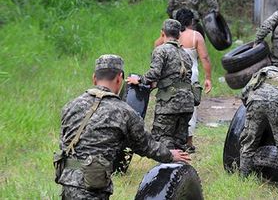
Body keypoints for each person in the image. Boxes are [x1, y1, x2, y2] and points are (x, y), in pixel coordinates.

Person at [55, 54, 190, 199]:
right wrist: (170, 155)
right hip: (92, 187)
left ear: (94, 78)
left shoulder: (70, 106)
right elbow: (146, 146)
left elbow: (65, 142)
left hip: (67, 181)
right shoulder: (124, 112)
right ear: (119, 79)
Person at [239, 54, 278, 195]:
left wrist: (252, 111)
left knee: (249, 141)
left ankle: (243, 179)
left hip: (255, 103)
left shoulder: (265, 71)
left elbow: (244, 93)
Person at [127, 19, 195, 151]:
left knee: (162, 138)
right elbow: (179, 78)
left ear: (162, 33)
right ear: (179, 35)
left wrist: (140, 80)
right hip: (187, 103)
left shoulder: (161, 50)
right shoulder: (185, 54)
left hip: (169, 104)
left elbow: (154, 73)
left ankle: (166, 169)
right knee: (179, 140)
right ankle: (180, 169)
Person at [154, 8, 212, 153]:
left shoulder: (168, 36)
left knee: (170, 108)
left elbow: (157, 46)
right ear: (191, 21)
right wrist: (208, 78)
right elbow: (204, 57)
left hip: (171, 76)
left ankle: (168, 142)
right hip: (191, 75)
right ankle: (188, 142)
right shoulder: (195, 35)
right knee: (189, 108)